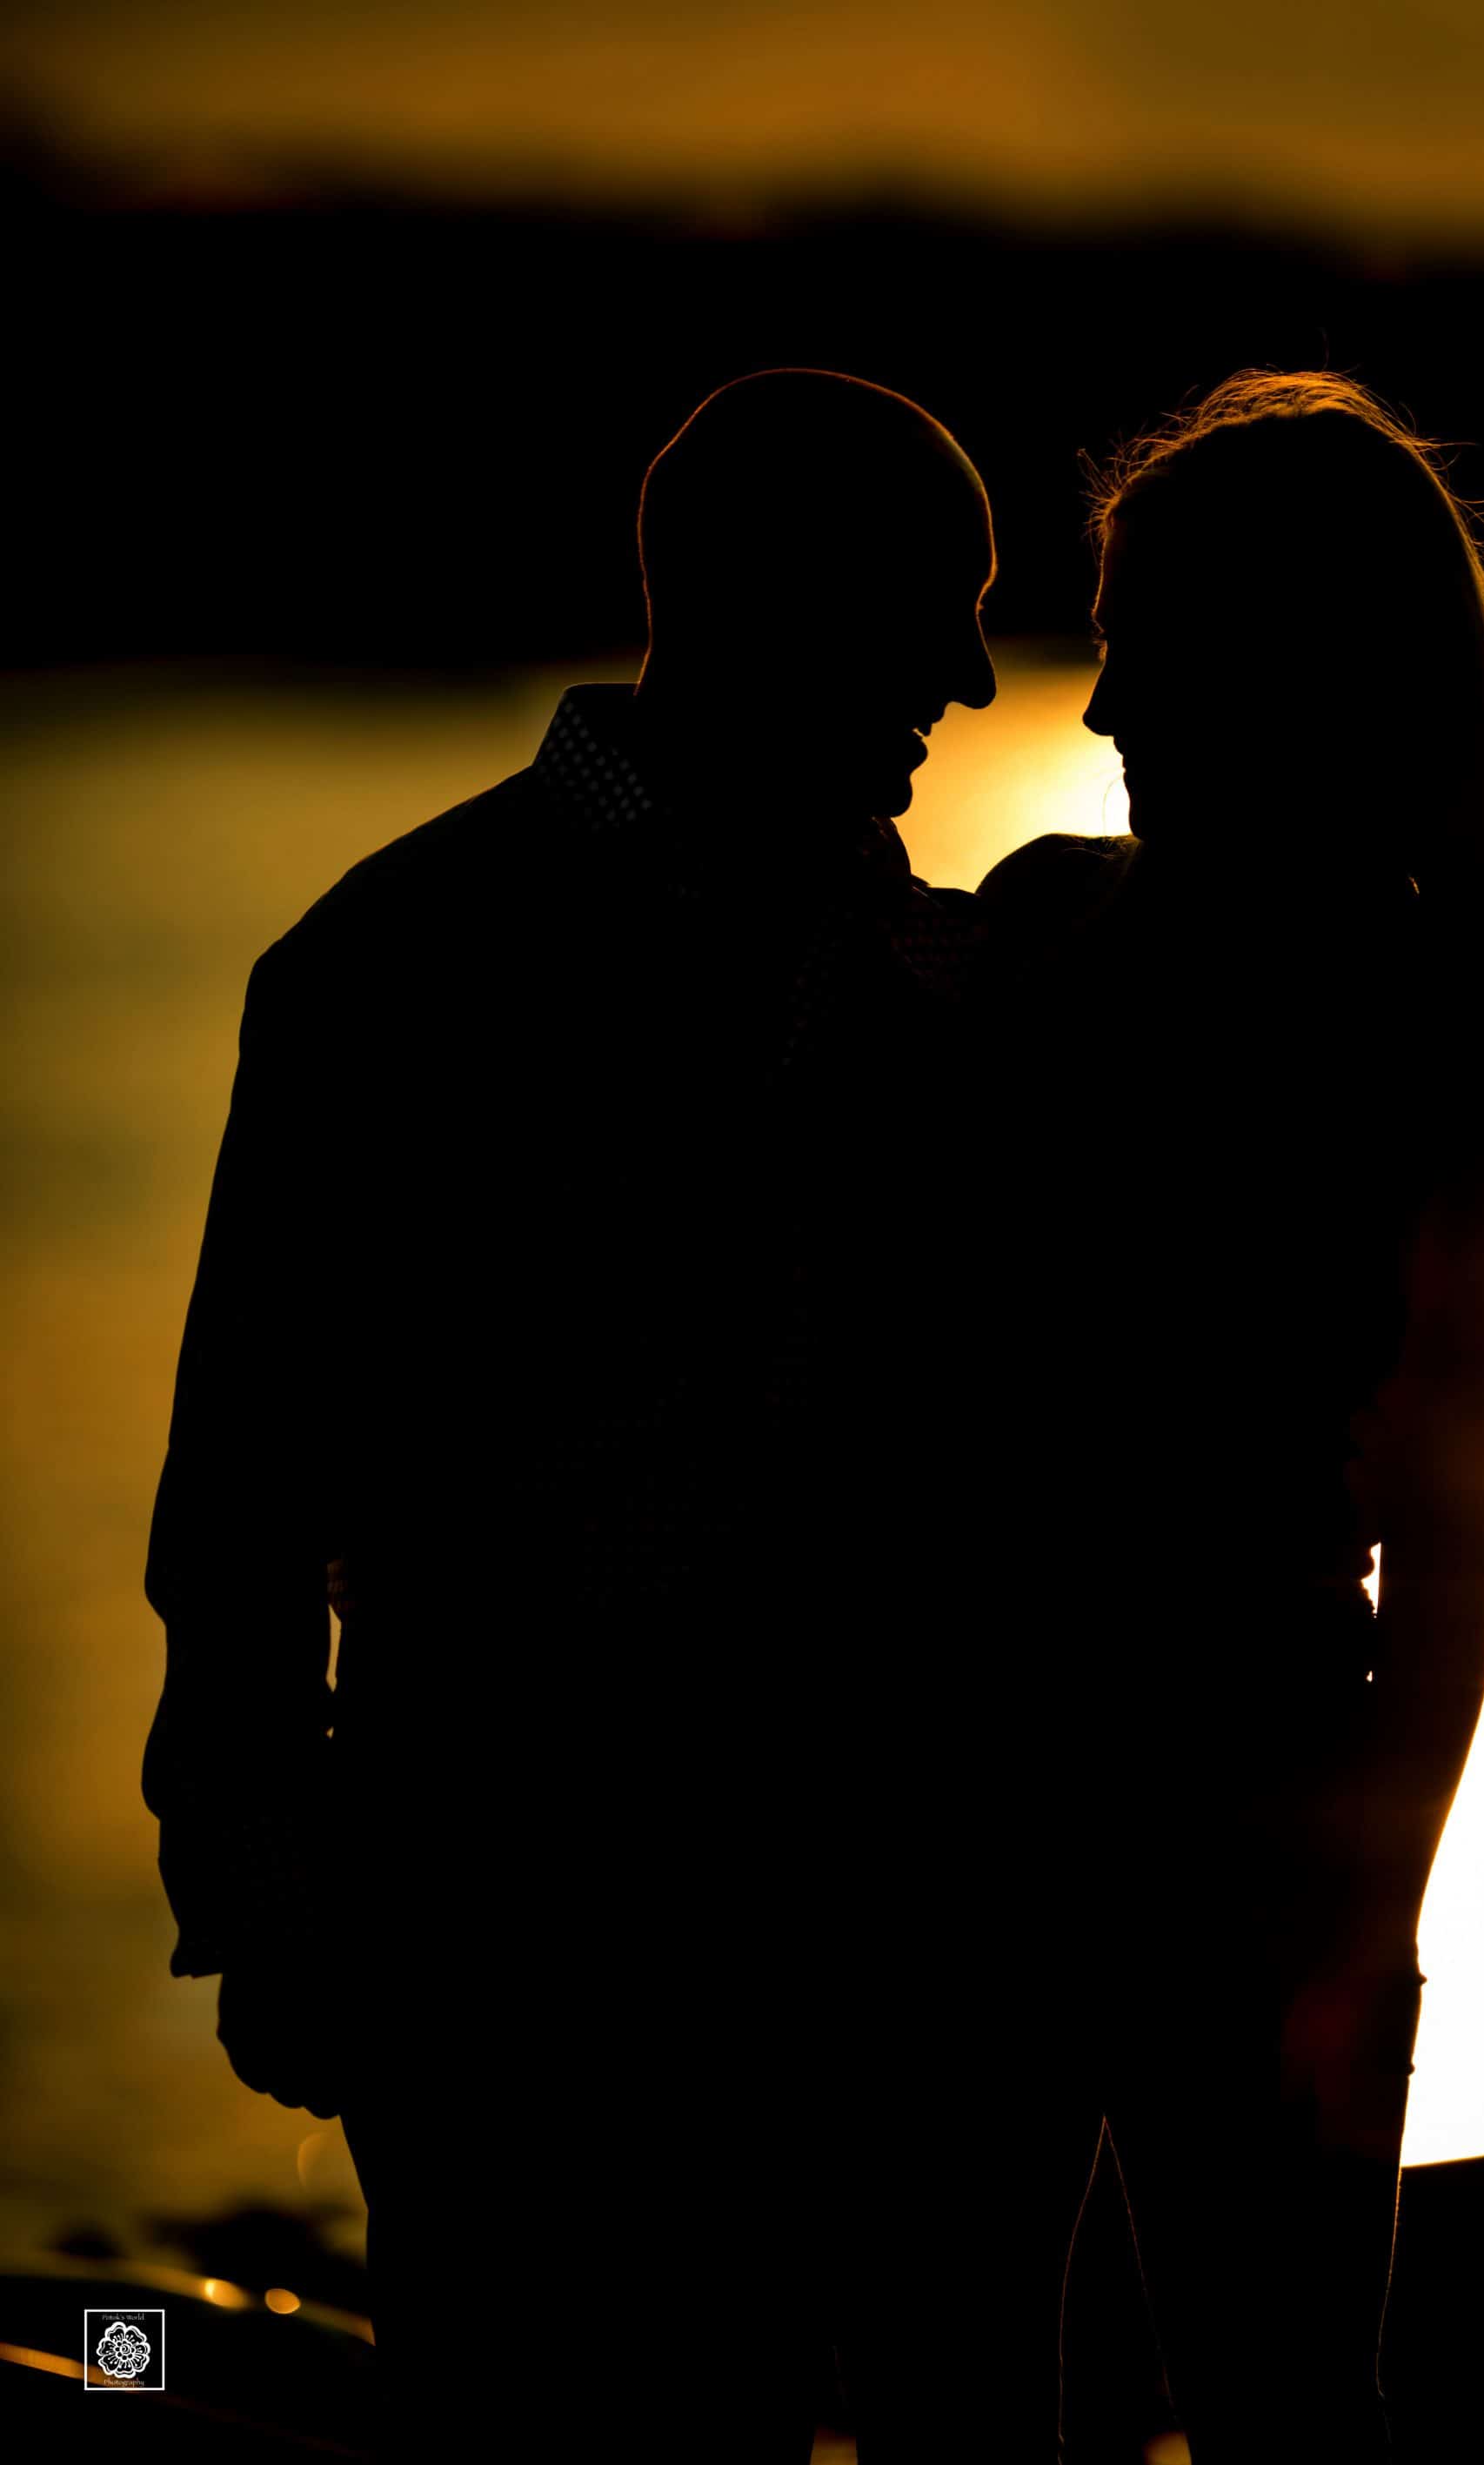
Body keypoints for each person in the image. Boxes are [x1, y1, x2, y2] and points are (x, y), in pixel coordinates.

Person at [141, 367, 1003, 2458]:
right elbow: (249, 1489)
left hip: (861, 1941)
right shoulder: (396, 965)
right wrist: (268, 1893)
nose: (974, 681)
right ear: (773, 603)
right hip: (502, 1953)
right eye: (933, 607)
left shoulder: (950, 978)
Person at [975, 370, 1484, 2462]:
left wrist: (1364, 1941)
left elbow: (1457, 1535)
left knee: (1280, 2416)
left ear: (1286, 656)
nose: (1096, 709)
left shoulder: (1475, 1031)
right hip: (952, 1793)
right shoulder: (1034, 931)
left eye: (1133, 641)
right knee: (982, 2402)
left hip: (1252, 1826)